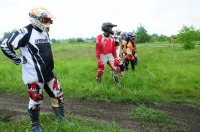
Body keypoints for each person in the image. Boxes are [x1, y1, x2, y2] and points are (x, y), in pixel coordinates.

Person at [0, 7, 71, 132]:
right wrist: (18, 60)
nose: (47, 23)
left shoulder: (45, 32)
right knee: (36, 101)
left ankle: (61, 119)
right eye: (45, 20)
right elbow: (5, 45)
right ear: (35, 19)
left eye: (49, 21)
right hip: (34, 75)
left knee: (58, 95)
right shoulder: (25, 32)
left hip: (49, 73)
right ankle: (35, 125)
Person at [95, 22, 121, 87]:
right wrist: (98, 60)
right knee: (100, 71)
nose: (112, 30)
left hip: (110, 55)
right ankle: (97, 84)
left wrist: (116, 59)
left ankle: (117, 84)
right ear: (106, 28)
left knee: (117, 68)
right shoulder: (99, 37)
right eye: (110, 28)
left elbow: (113, 50)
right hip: (102, 55)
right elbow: (97, 49)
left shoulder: (112, 38)